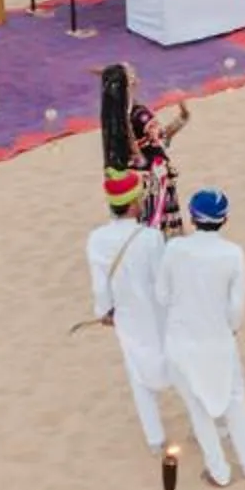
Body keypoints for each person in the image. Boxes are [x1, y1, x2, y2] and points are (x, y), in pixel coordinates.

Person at [158, 188, 245, 486]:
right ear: (225, 219)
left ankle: (219, 472)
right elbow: (236, 307)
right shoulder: (233, 254)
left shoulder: (174, 249)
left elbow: (162, 294)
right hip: (216, 341)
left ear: (193, 218)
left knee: (197, 407)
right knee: (233, 398)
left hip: (180, 341)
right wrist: (229, 327)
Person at [85, 170, 171, 452]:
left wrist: (105, 311)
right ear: (133, 204)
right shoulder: (150, 237)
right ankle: (208, 426)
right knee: (178, 368)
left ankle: (155, 439)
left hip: (127, 316)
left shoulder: (96, 239)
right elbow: (162, 281)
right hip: (156, 314)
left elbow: (100, 286)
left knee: (138, 377)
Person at [101, 65, 194, 231]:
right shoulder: (138, 114)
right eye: (132, 75)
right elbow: (160, 138)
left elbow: (152, 140)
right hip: (153, 179)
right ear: (129, 83)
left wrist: (182, 118)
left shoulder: (115, 115)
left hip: (134, 179)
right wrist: (183, 117)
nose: (138, 79)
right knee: (159, 228)